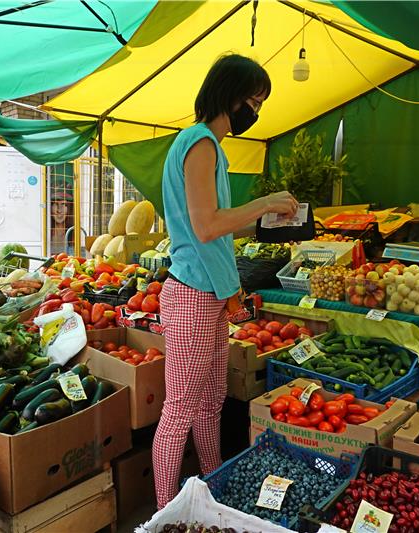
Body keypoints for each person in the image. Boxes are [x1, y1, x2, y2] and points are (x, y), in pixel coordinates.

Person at [153, 54, 298, 508]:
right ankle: (164, 511)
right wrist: (263, 203)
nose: (255, 112)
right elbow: (206, 226)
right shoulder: (200, 144)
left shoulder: (205, 145)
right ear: (231, 96)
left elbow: (215, 234)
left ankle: (212, 488)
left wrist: (232, 287)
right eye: (254, 100)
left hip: (208, 293)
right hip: (192, 294)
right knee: (178, 412)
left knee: (211, 400)